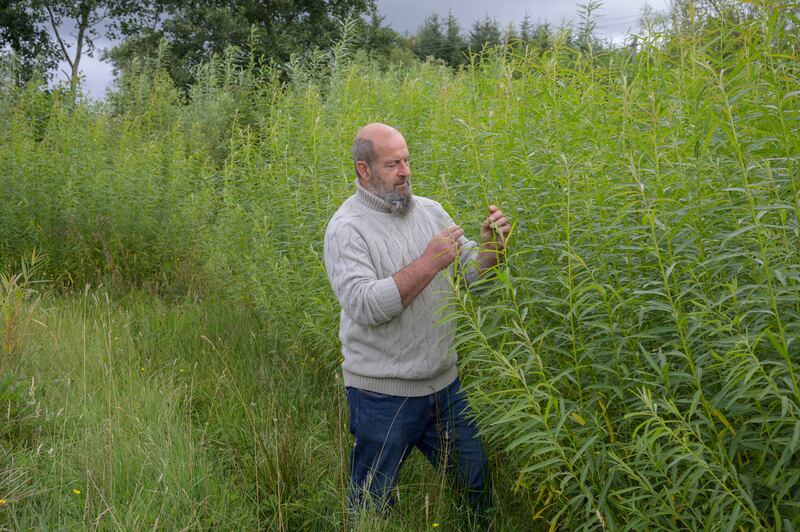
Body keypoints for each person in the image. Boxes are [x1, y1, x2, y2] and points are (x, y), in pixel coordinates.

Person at [323, 123, 511, 521]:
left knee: (476, 490)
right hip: (381, 396)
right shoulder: (347, 229)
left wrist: (492, 250)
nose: (406, 171)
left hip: (444, 386)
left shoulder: (430, 211)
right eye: (393, 164)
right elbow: (364, 305)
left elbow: (470, 277)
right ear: (364, 170)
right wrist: (428, 262)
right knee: (372, 506)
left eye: (407, 160)